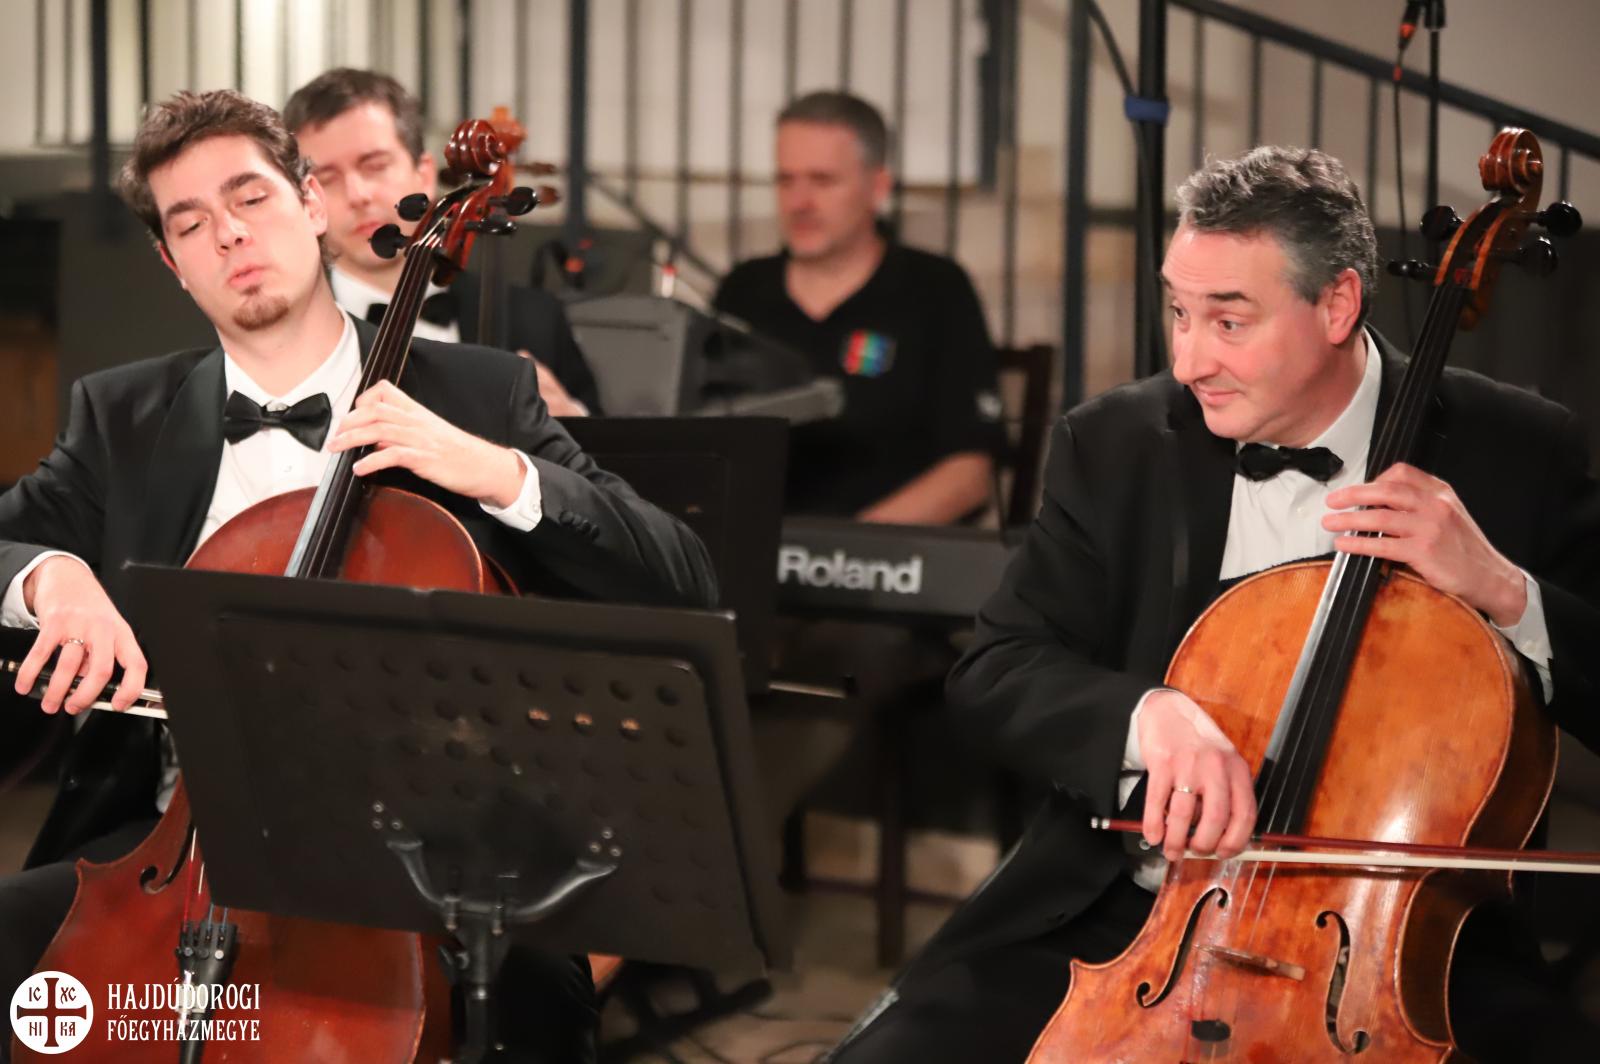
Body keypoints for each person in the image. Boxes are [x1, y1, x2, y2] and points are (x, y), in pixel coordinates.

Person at [826, 146, 1600, 1063]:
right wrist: (1146, 718)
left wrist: (1505, 592)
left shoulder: (1518, 452)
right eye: (1179, 313)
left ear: (1338, 305)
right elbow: (996, 668)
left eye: (1229, 321)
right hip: (1127, 920)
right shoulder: (1115, 444)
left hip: (1408, 949)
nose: (1191, 360)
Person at [0, 88, 717, 1063]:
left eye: (250, 197)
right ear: (172, 263)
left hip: (427, 869)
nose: (228, 234)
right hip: (174, 855)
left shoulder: (477, 393)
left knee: (533, 1000)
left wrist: (498, 473)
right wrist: (53, 580)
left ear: (310, 203)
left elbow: (681, 574)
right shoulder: (120, 415)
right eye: (191, 223)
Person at [713, 90, 1003, 523]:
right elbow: (702, 448)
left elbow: (969, 472)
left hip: (888, 554)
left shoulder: (935, 289)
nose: (799, 202)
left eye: (823, 181)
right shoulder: (744, 289)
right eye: (786, 180)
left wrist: (846, 550)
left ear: (878, 187)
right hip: (747, 550)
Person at [284, 67, 603, 417]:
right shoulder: (281, 333)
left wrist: (573, 420)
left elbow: (612, 451)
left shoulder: (535, 319)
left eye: (375, 166)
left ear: (424, 175)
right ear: (306, 199)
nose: (357, 195)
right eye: (327, 178)